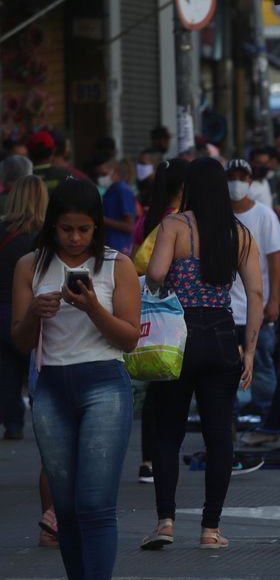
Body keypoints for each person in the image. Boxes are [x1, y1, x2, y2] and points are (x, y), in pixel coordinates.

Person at [12, 178, 142, 579]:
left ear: (96, 226)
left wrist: (91, 308)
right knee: (65, 507)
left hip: (105, 384)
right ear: (53, 224)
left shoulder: (118, 265)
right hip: (51, 387)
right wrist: (35, 312)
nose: (74, 238)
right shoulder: (30, 265)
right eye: (66, 228)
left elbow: (130, 338)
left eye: (84, 229)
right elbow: (19, 341)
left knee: (95, 504)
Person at [142, 157, 263, 552]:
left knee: (168, 432)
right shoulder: (240, 234)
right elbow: (257, 295)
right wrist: (250, 351)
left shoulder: (174, 226)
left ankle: (165, 521)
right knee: (218, 435)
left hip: (177, 338)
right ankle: (211, 529)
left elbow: (156, 274)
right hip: (222, 336)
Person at [131, 158, 190, 484]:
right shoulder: (179, 223)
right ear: (183, 187)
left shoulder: (146, 220)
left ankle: (149, 460)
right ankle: (166, 456)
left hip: (147, 309)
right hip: (175, 310)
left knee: (154, 389)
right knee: (175, 386)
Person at [227, 159, 280, 421]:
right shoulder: (216, 215)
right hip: (225, 309)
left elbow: (275, 261)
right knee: (226, 368)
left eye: (242, 177)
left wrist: (274, 299)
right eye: (232, 177)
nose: (237, 182)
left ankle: (268, 419)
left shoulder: (264, 215)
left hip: (257, 307)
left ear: (251, 181)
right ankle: (229, 419)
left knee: (262, 363)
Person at [0, 175, 47, 440]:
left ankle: (13, 423)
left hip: (2, 308)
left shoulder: (2, 231)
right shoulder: (46, 235)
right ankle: (45, 419)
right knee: (37, 367)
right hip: (34, 309)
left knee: (6, 372)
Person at [92, 152, 138, 256]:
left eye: (103, 174)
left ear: (115, 171)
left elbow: (130, 226)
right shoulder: (109, 192)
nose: (100, 178)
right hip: (108, 248)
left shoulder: (123, 191)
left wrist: (102, 220)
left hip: (120, 249)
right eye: (97, 175)